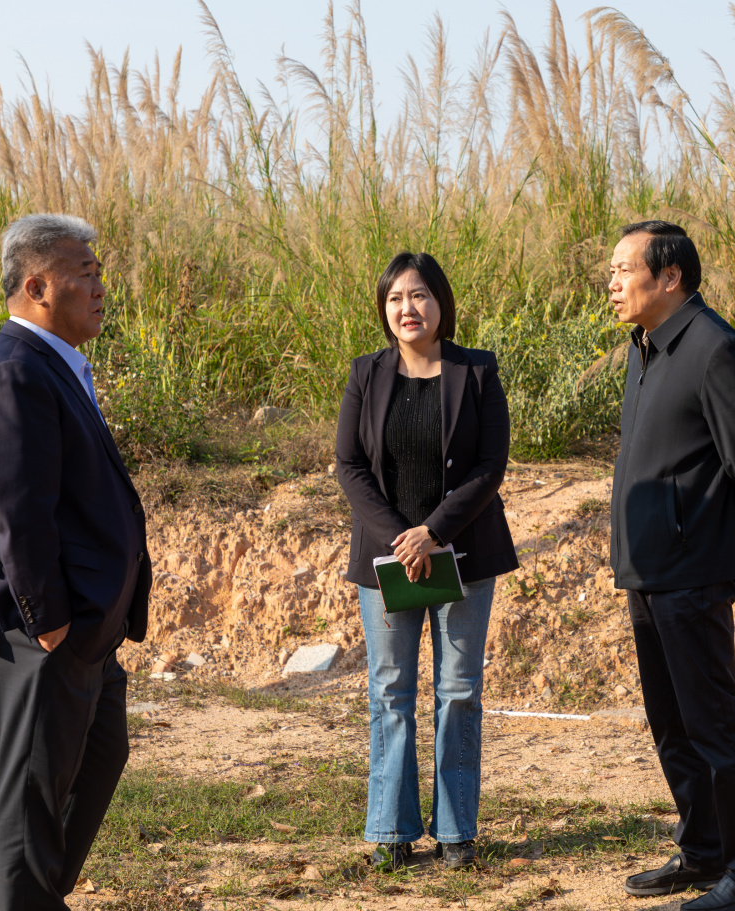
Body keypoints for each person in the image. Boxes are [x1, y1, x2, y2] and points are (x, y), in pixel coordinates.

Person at [0, 214, 150, 910]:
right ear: (37, 286)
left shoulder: (54, 363)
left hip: (85, 624)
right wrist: (48, 621)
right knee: (33, 797)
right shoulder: (13, 372)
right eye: (85, 274)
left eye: (99, 273)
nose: (100, 288)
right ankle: (27, 895)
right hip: (43, 626)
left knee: (98, 757)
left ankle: (38, 896)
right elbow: (19, 511)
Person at [607, 222, 735, 911]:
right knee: (671, 722)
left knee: (715, 723)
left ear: (670, 276)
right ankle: (705, 849)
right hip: (647, 567)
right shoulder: (645, 347)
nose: (613, 284)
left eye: (624, 270)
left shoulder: (714, 348)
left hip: (692, 568)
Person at [335, 252, 518, 871]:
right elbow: (349, 466)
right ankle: (391, 832)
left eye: (418, 296)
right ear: (383, 309)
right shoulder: (366, 373)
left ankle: (456, 832)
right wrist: (402, 540)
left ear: (441, 303)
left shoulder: (478, 371)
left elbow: (490, 466)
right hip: (389, 562)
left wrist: (434, 532)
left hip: (461, 554)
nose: (407, 308)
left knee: (459, 691)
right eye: (395, 298)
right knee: (390, 690)